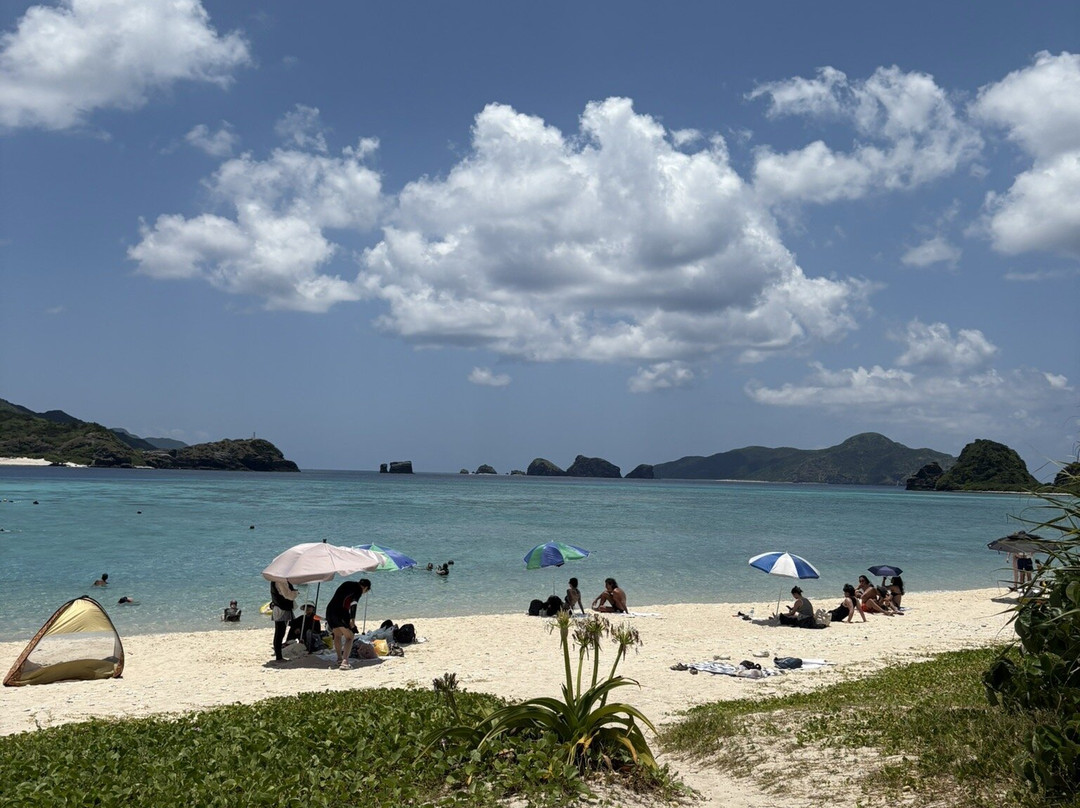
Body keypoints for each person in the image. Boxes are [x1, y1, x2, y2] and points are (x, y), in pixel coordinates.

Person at [326, 578, 371, 669]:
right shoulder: (358, 589)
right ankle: (345, 662)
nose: (363, 593)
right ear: (365, 588)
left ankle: (339, 659)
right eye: (365, 591)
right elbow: (353, 603)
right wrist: (352, 620)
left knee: (337, 635)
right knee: (350, 637)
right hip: (341, 612)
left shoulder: (347, 583)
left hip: (330, 611)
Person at [269, 579, 299, 663]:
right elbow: (288, 595)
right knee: (280, 633)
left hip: (279, 608)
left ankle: (279, 655)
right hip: (281, 609)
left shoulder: (277, 580)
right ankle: (279, 657)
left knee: (280, 632)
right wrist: (295, 592)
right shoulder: (281, 581)